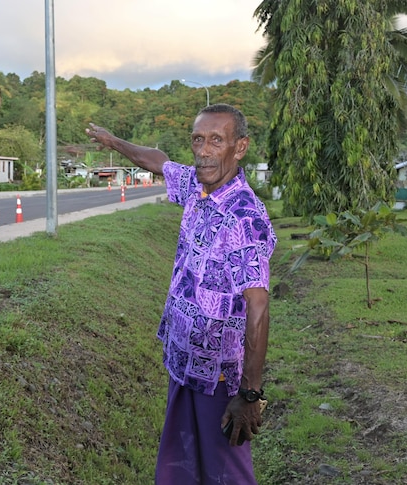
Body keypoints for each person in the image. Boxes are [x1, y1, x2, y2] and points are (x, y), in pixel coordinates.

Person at [86, 103, 277, 484]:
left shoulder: (244, 215)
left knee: (226, 472)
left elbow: (257, 306)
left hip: (218, 378)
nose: (204, 150)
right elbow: (159, 162)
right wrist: (113, 141)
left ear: (239, 148)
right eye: (198, 140)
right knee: (182, 463)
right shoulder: (198, 184)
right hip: (183, 361)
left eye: (216, 141)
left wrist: (250, 395)